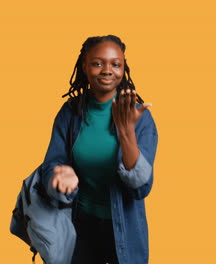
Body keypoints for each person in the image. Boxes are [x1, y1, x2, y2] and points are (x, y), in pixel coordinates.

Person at [40, 35, 158, 264]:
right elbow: (51, 165)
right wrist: (58, 176)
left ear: (123, 69)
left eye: (116, 64)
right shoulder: (70, 112)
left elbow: (141, 187)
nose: (107, 70)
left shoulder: (140, 118)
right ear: (84, 66)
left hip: (125, 227)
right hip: (78, 225)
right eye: (97, 63)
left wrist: (126, 132)